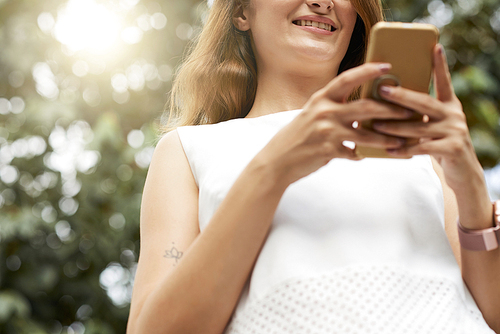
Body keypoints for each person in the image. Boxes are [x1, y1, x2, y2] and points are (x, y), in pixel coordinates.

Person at [126, 0, 500, 333]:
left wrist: (471, 189)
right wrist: (275, 167)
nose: (322, 2)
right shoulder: (189, 149)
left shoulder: (420, 149)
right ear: (241, 12)